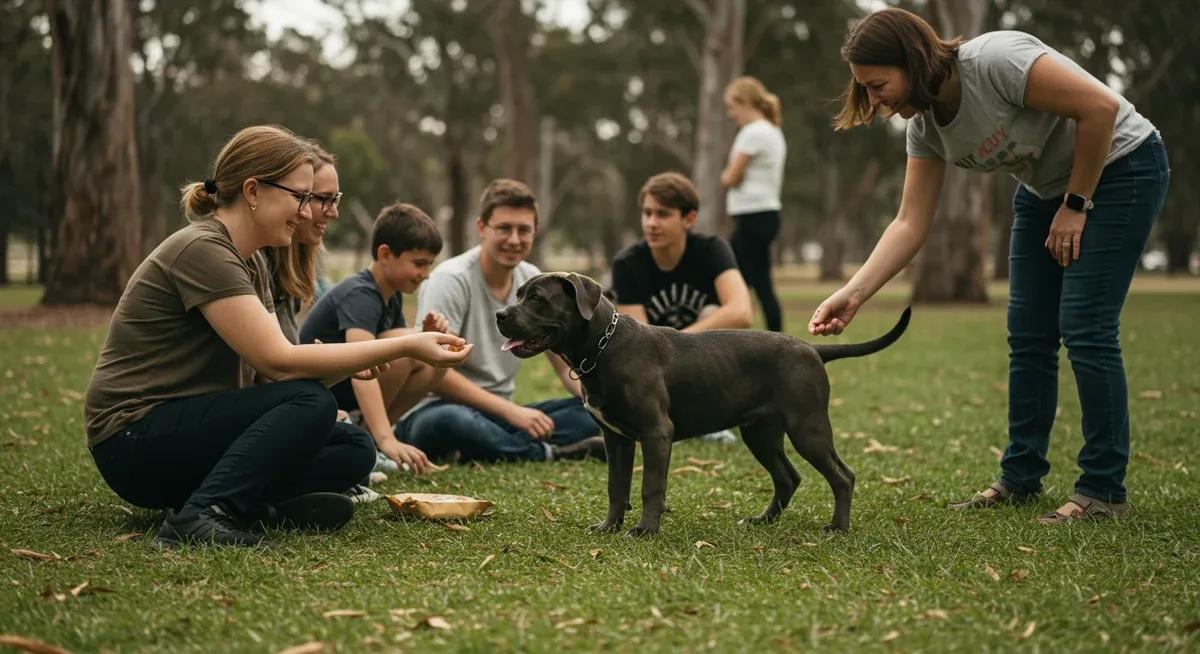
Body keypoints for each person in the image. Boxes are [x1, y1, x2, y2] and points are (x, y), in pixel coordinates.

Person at [813, 8, 1170, 524]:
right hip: (1045, 190)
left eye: (877, 85)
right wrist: (854, 294)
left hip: (1121, 168)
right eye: (865, 90)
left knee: (1086, 327)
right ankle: (1021, 478)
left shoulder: (997, 61)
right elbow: (910, 223)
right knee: (1027, 333)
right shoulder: (926, 129)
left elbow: (1100, 108)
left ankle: (1102, 490)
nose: (874, 100)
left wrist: (1077, 204)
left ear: (911, 61)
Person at [84, 124, 473, 549]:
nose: (308, 212)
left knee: (352, 447)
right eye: (300, 197)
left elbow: (272, 380)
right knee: (313, 402)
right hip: (132, 441)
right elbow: (278, 361)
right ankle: (203, 515)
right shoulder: (202, 250)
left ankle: (256, 510)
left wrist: (355, 361)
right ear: (253, 191)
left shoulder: (251, 262)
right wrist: (407, 344)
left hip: (185, 434)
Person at [394, 178, 606, 463]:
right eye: (504, 228)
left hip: (500, 416)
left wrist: (596, 397)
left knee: (591, 413)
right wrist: (511, 412)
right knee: (449, 422)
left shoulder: (533, 279)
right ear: (482, 228)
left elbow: (564, 362)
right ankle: (548, 453)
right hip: (436, 409)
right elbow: (436, 375)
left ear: (535, 232)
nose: (514, 240)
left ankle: (488, 447)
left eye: (524, 230)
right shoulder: (451, 279)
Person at [253, 141, 382, 504]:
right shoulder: (247, 261)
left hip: (277, 400)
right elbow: (271, 368)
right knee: (322, 412)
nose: (331, 212)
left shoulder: (296, 266)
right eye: (319, 198)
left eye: (334, 198)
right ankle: (263, 498)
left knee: (355, 445)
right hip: (231, 410)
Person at [299, 202, 450, 478]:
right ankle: (377, 440)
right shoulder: (361, 293)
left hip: (349, 392)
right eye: (419, 264)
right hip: (320, 397)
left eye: (430, 265)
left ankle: (372, 440)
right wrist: (386, 438)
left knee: (434, 359)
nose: (426, 274)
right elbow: (363, 366)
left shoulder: (390, 295)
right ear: (385, 254)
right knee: (403, 348)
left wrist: (424, 338)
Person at [610, 171, 753, 444]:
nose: (651, 223)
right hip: (655, 372)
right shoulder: (627, 264)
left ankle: (712, 415)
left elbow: (741, 312)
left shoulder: (711, 250)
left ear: (689, 219)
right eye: (647, 213)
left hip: (704, 364)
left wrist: (680, 343)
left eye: (662, 214)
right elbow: (638, 342)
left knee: (714, 314)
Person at [720, 76, 788, 333]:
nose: (731, 114)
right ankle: (732, 336)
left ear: (746, 102)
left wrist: (725, 177)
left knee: (757, 283)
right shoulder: (772, 131)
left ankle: (776, 342)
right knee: (739, 281)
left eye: (732, 107)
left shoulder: (752, 132)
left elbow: (731, 176)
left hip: (752, 216)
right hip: (764, 214)